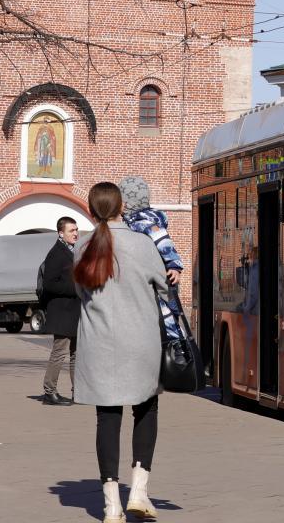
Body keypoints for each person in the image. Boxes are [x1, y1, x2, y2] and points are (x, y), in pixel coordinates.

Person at [74, 182, 168, 522]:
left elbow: (79, 291)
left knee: (107, 418)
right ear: (122, 207)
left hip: (99, 344)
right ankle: (139, 491)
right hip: (140, 341)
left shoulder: (82, 246)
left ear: (90, 210)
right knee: (146, 409)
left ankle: (111, 504)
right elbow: (164, 285)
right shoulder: (142, 244)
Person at [118, 176, 184, 340]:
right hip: (154, 276)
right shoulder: (132, 221)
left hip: (159, 277)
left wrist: (174, 265)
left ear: (127, 202)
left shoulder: (144, 222)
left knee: (166, 315)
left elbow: (163, 242)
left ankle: (177, 344)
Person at [39, 217, 79, 406]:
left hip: (74, 311)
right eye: (71, 231)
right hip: (62, 311)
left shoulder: (73, 251)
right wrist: (76, 288)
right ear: (61, 233)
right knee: (59, 352)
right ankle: (49, 392)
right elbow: (50, 284)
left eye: (76, 230)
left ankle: (78, 391)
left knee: (76, 353)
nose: (76, 234)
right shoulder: (56, 253)